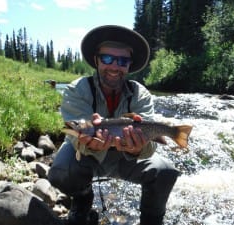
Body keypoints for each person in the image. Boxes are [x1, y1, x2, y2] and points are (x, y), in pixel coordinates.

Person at [48, 25, 180, 225]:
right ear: (96, 60)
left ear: (129, 65)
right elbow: (76, 135)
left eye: (123, 61)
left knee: (166, 172)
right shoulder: (77, 90)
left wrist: (137, 148)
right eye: (107, 58)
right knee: (60, 172)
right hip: (88, 158)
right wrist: (88, 144)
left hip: (126, 160)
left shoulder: (140, 94)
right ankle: (83, 201)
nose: (114, 66)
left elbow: (151, 146)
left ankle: (152, 221)